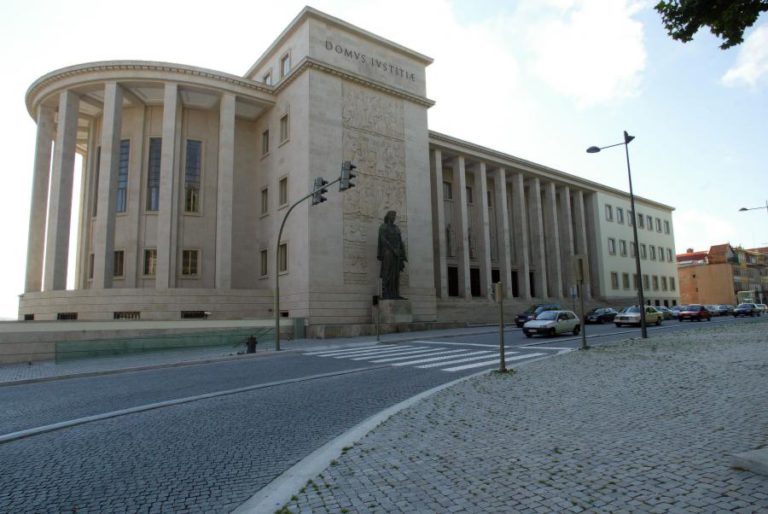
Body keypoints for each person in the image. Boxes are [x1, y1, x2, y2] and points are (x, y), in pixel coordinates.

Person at [377, 210, 407, 299]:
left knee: (396, 274)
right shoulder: (383, 227)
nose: (394, 218)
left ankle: (395, 294)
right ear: (388, 216)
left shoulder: (396, 228)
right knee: (387, 272)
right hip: (388, 253)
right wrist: (393, 249)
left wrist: (402, 252)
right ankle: (385, 293)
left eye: (395, 216)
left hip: (396, 254)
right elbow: (383, 240)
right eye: (392, 216)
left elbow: (400, 240)